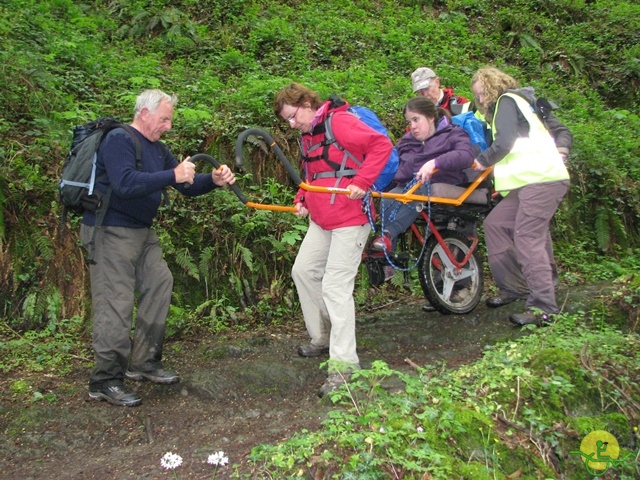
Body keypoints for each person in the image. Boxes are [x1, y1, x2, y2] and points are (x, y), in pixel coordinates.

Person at [81, 89, 236, 407]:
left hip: (141, 232)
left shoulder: (158, 149)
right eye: (164, 119)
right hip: (109, 230)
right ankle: (105, 380)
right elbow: (124, 183)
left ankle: (144, 362)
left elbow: (185, 186)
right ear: (145, 113)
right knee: (116, 302)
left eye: (170, 120)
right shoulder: (119, 139)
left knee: (160, 283)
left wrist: (214, 181)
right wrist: (171, 173)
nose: (168, 126)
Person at [273, 83, 393, 397]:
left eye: (292, 116)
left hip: (351, 219)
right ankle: (323, 335)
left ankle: (344, 366)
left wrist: (363, 182)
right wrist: (302, 196)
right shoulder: (309, 134)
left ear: (307, 103)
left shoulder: (339, 122)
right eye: (287, 120)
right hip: (322, 218)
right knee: (303, 271)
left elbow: (381, 145)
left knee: (335, 285)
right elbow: (313, 173)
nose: (291, 123)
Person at [471, 67, 572, 327]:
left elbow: (505, 143)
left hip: (542, 180)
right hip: (526, 184)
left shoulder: (506, 101)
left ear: (492, 86)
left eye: (481, 94)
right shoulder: (518, 106)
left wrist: (482, 161)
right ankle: (515, 287)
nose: (479, 100)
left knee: (528, 237)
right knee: (496, 224)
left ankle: (543, 307)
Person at [370, 97, 476, 287]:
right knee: (389, 196)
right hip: (410, 186)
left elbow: (465, 155)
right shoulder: (407, 143)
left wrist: (435, 163)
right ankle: (386, 257)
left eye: (416, 119)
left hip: (441, 183)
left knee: (414, 190)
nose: (412, 126)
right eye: (409, 122)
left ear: (430, 118)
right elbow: (391, 164)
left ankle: (386, 235)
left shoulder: (453, 134)